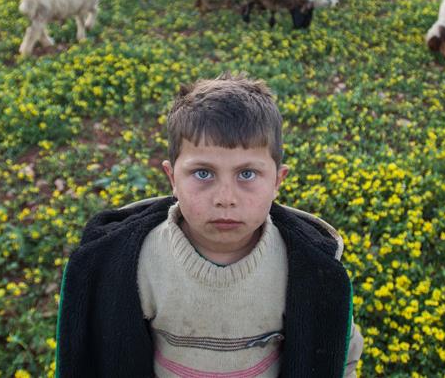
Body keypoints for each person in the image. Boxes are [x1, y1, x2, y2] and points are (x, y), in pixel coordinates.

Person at [55, 72, 364, 377]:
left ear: (277, 181)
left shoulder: (306, 270)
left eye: (247, 174)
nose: (225, 198)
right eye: (203, 173)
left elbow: (337, 351)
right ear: (172, 178)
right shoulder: (138, 262)